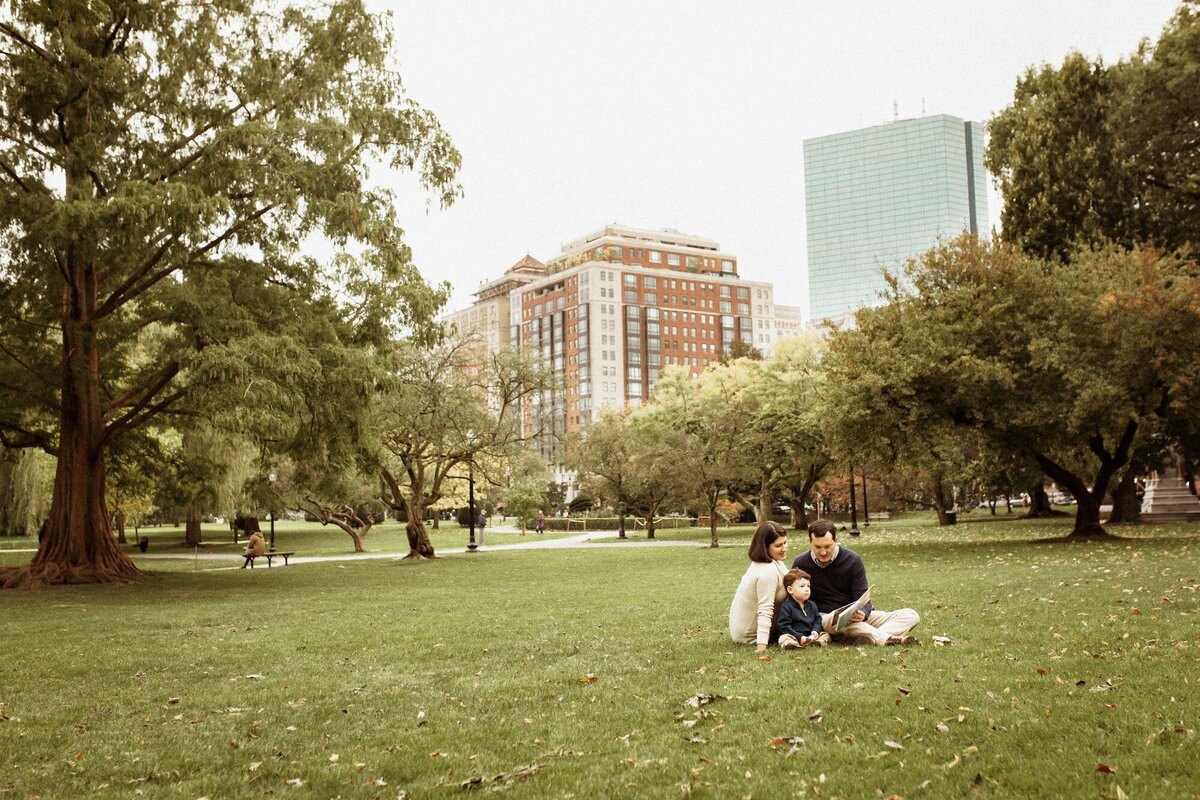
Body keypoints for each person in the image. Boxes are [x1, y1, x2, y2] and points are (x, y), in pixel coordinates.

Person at [792, 519, 920, 646]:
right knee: (840, 622)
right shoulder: (800, 563)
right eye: (818, 547)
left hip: (852, 618)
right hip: (822, 618)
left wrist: (863, 613)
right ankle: (891, 639)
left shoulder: (852, 560)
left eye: (827, 546)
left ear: (835, 541)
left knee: (910, 615)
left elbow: (864, 598)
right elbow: (795, 601)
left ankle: (861, 637)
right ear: (810, 542)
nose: (823, 552)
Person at [729, 521, 790, 652]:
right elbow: (765, 609)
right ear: (765, 547)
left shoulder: (776, 562)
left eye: (785, 542)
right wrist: (762, 646)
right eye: (778, 545)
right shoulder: (766, 572)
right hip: (750, 635)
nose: (784, 548)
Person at [776, 568, 829, 649]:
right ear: (790, 590)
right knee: (784, 637)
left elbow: (817, 619)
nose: (807, 589)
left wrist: (815, 631)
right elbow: (784, 626)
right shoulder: (786, 606)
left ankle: (817, 643)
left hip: (810, 635)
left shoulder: (812, 605)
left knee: (826, 634)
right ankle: (792, 645)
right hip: (794, 636)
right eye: (802, 586)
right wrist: (799, 637)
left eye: (808, 586)